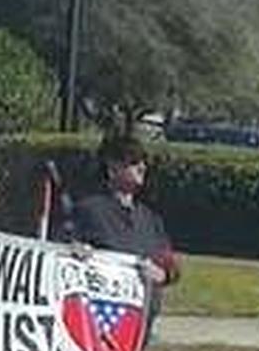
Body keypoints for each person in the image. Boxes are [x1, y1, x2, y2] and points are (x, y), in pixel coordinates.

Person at [70, 133, 180, 324]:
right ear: (112, 168)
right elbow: (64, 249)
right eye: (134, 161)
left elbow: (170, 265)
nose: (142, 167)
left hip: (140, 324)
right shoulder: (89, 211)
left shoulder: (150, 219)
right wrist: (75, 252)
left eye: (143, 162)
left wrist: (162, 274)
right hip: (100, 321)